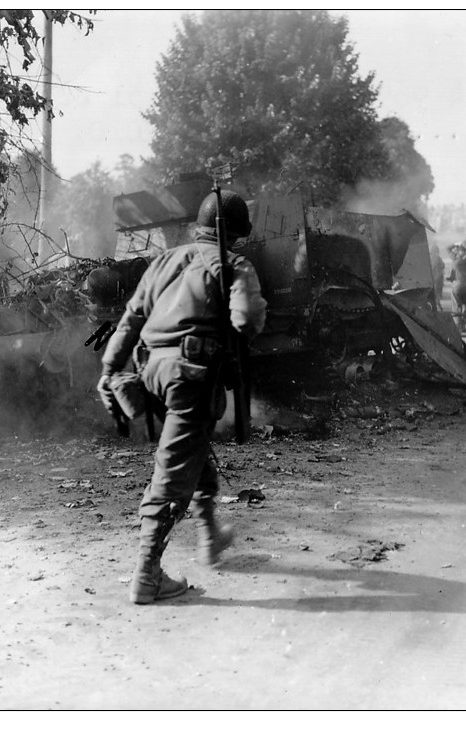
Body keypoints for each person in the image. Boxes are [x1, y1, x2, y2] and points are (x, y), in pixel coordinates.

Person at [97, 189, 267, 604]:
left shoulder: (164, 260)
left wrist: (108, 370)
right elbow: (247, 321)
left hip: (149, 372)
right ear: (239, 236)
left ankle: (209, 536)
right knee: (173, 472)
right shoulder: (234, 264)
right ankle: (147, 575)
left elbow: (130, 319)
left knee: (193, 445)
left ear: (199, 227)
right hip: (190, 376)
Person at [447, 242, 466, 333]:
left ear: (459, 251)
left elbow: (448, 248)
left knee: (456, 305)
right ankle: (465, 321)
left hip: (458, 285)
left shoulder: (456, 259)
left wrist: (455, 244)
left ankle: (459, 325)